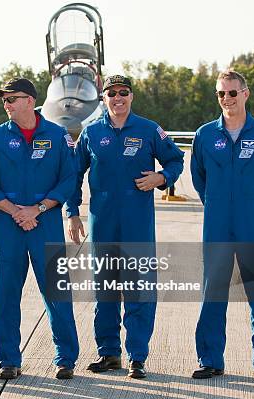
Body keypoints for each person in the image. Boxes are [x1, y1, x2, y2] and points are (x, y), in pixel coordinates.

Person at [66, 74, 184, 379]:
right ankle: (109, 354)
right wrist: (73, 213)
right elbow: (74, 174)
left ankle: (137, 357)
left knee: (139, 291)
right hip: (102, 223)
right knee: (105, 291)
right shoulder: (91, 133)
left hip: (137, 225)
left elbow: (175, 160)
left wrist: (161, 178)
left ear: (131, 96)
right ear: (103, 98)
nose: (118, 98)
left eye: (123, 92)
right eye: (112, 93)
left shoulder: (148, 129)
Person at [190, 70, 254, 382]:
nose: (226, 99)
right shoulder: (204, 135)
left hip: (252, 226)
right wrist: (217, 204)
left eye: (232, 93)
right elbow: (198, 177)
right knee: (213, 293)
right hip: (217, 226)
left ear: (245, 94)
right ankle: (210, 360)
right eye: (221, 93)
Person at [0, 77, 79, 380]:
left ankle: (65, 358)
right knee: (6, 295)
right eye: (4, 100)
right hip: (7, 226)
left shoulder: (58, 136)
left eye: (12, 98)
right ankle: (8, 359)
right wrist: (16, 211)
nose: (6, 104)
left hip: (45, 224)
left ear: (30, 101)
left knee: (57, 295)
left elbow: (68, 179)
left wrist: (38, 209)